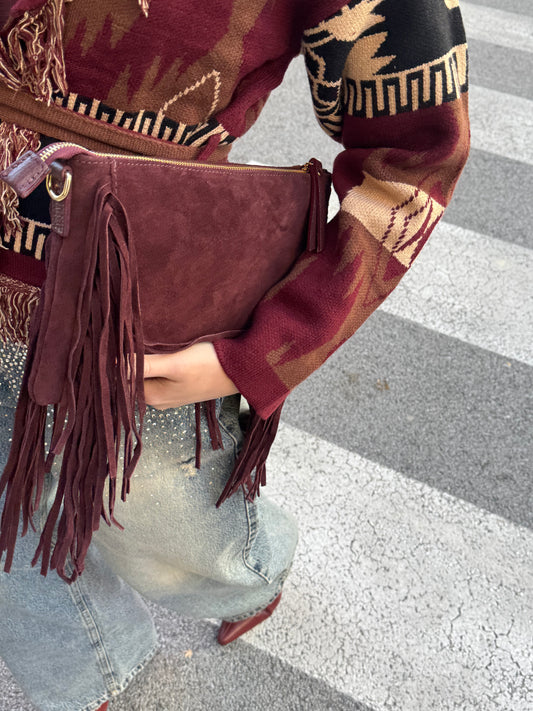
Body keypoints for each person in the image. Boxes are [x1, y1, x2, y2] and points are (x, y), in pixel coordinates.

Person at [0, 0, 470, 709]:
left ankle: (249, 576)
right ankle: (83, 668)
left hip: (141, 294)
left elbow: (416, 156)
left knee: (161, 517)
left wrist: (264, 350)